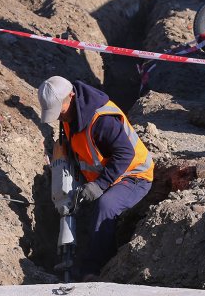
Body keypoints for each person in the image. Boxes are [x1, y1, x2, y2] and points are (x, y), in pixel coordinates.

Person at [38, 76, 154, 280]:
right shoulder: (68, 116)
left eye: (59, 111)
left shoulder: (102, 121)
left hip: (134, 175)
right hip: (104, 174)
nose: (58, 117)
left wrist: (99, 185)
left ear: (71, 96)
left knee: (105, 205)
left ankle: (95, 268)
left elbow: (125, 154)